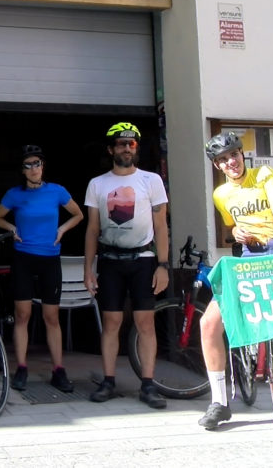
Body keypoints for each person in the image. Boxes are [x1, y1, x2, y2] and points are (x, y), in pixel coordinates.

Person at [198, 131, 273, 441]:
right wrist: (238, 233)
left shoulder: (264, 174)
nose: (231, 162)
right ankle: (220, 402)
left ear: (242, 154)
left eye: (234, 155)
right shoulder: (221, 195)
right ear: (217, 166)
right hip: (251, 257)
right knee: (209, 323)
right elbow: (235, 226)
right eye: (223, 160)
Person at [83, 122, 170, 410]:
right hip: (110, 261)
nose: (126, 148)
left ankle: (148, 384)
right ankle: (109, 381)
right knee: (112, 323)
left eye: (131, 144)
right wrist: (87, 269)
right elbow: (92, 229)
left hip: (144, 260)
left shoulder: (151, 180)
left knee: (145, 323)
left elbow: (161, 225)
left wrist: (163, 265)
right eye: (121, 144)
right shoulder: (97, 184)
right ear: (111, 149)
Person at [0, 145, 83, 392]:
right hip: (23, 258)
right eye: (28, 165)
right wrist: (11, 229)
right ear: (22, 170)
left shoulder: (57, 191)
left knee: (51, 316)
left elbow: (78, 215)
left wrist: (63, 229)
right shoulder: (15, 194)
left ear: (43, 166)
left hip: (50, 258)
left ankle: (58, 370)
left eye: (37, 163)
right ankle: (21, 368)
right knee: (22, 315)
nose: (33, 168)